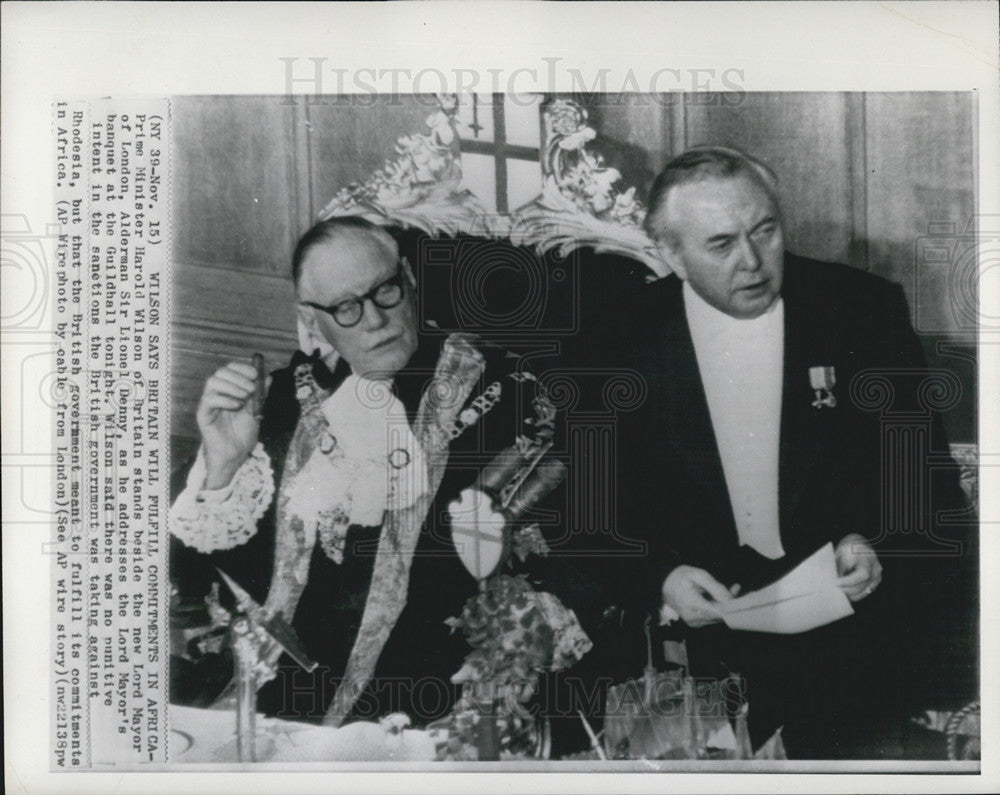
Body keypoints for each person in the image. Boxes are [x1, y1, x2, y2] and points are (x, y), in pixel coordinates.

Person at [567, 146, 974, 758]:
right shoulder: (609, 342)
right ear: (671, 254)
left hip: (849, 637)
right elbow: (588, 510)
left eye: (765, 231)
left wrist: (875, 544)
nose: (753, 262)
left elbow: (924, 482)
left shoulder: (862, 310)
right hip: (697, 649)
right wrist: (661, 578)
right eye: (721, 244)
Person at [169, 217, 592, 736]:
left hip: (436, 698)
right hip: (281, 702)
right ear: (311, 318)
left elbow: (568, 553)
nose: (374, 320)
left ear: (409, 279)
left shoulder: (507, 394)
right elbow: (201, 578)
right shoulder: (279, 401)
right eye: (346, 307)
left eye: (385, 291)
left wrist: (513, 642)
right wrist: (222, 467)